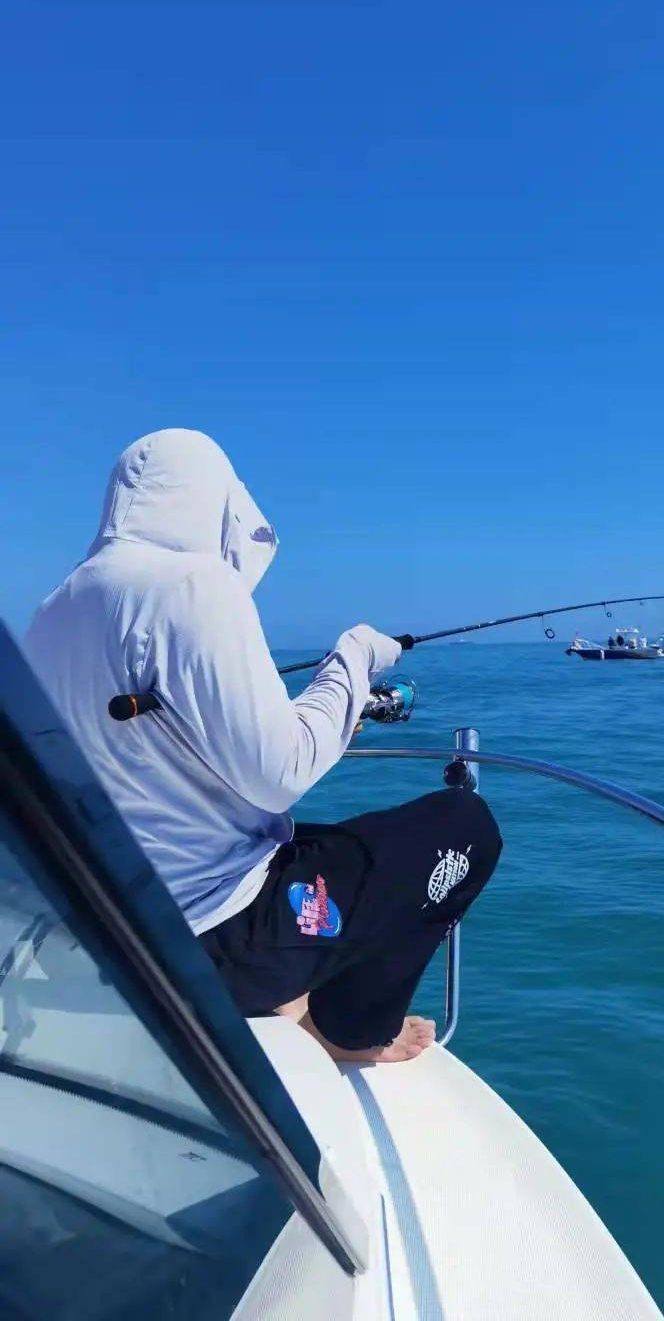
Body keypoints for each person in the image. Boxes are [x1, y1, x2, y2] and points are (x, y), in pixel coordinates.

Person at [24, 429, 502, 1063]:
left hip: (101, 930)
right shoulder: (193, 586)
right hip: (208, 947)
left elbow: (150, 754)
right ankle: (351, 1030)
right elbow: (281, 773)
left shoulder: (51, 611)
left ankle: (293, 991)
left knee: (312, 839)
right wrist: (353, 659)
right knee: (465, 825)